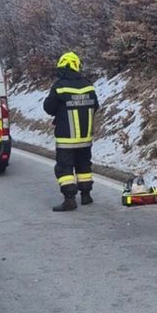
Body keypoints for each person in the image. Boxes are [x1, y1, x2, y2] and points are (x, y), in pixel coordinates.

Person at [43, 52, 99, 212]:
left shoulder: (60, 87)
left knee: (64, 168)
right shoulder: (88, 85)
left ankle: (69, 199)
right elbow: (95, 106)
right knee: (84, 165)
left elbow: (48, 108)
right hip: (85, 136)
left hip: (66, 138)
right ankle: (86, 195)